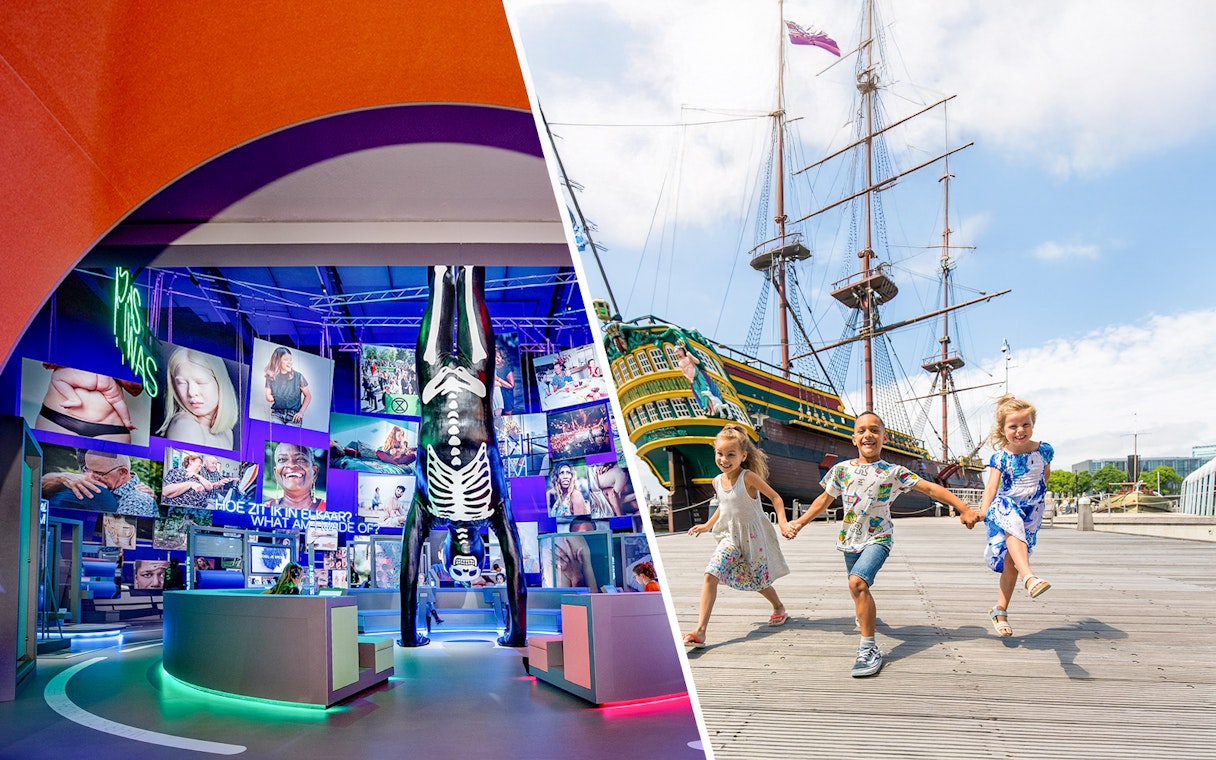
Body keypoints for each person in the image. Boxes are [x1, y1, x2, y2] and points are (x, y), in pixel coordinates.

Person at [784, 411, 982, 677]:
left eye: (875, 430)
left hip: (880, 538)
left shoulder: (894, 472)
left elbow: (931, 489)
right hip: (850, 539)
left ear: (884, 437)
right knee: (858, 591)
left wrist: (963, 508)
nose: (868, 435)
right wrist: (799, 523)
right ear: (854, 438)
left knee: (857, 582)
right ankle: (864, 617)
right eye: (862, 430)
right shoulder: (841, 470)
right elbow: (824, 500)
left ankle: (868, 648)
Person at [684, 424, 791, 648]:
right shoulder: (717, 481)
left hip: (754, 539)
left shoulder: (748, 477)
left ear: (743, 456)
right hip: (730, 537)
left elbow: (776, 498)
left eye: (730, 455)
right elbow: (724, 507)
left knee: (758, 581)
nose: (724, 459)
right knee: (710, 573)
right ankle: (700, 631)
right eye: (720, 454)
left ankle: (778, 606)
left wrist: (782, 523)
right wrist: (706, 525)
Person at [980, 395, 1054, 638]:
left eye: (1026, 425)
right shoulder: (1001, 457)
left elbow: (1045, 476)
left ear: (1033, 424)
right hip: (1006, 505)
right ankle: (1030, 578)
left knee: (1011, 563)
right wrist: (982, 511)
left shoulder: (1044, 450)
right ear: (1003, 429)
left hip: (1032, 510)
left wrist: (1037, 500)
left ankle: (1000, 611)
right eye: (1013, 426)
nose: (1020, 431)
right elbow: (992, 487)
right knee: (1014, 530)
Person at [158, 347, 240, 449]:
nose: (191, 392)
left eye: (201, 382)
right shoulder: (184, 425)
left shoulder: (227, 433)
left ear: (220, 383)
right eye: (182, 383)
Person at [35, 363, 139, 441]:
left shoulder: (129, 338)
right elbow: (46, 364)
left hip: (111, 430)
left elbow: (136, 389)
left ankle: (126, 421)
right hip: (57, 421)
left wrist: (112, 360)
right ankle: (127, 421)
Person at [41, 450, 159, 517]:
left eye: (98, 473)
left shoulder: (137, 501)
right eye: (87, 469)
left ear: (123, 472)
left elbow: (118, 546)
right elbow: (36, 485)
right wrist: (62, 477)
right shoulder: (89, 481)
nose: (88, 476)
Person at [265, 443, 325, 511]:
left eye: (300, 459)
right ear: (276, 473)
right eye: (282, 459)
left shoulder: (331, 512)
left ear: (314, 472)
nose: (291, 465)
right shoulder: (263, 509)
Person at [263, 346, 311, 426]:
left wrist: (301, 413)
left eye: (290, 359)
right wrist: (269, 397)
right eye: (286, 360)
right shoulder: (270, 377)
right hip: (277, 414)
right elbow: (268, 394)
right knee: (276, 437)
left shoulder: (298, 377)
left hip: (293, 416)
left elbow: (308, 396)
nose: (290, 362)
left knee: (290, 437)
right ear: (277, 361)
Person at [673, 341, 723, 417]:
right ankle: (708, 409)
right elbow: (684, 372)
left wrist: (691, 356)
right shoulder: (680, 363)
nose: (677, 353)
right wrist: (690, 378)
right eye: (675, 352)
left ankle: (712, 409)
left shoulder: (688, 357)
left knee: (705, 393)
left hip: (699, 377)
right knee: (700, 395)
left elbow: (697, 362)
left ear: (682, 350)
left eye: (678, 351)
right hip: (693, 381)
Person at [493, 346, 515, 417]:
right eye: (494, 357)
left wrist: (498, 379)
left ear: (503, 358)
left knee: (507, 415)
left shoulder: (507, 368)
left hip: (506, 395)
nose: (495, 359)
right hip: (496, 395)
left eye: (498, 357)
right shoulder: (491, 367)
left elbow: (511, 385)